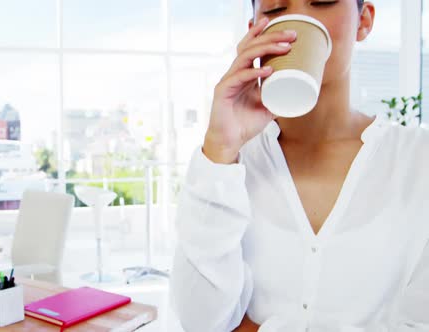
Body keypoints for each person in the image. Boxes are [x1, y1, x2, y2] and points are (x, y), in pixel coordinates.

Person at [170, 0, 429, 331]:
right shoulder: (228, 164)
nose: (297, 22)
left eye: (322, 1)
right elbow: (201, 321)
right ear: (254, 31)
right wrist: (220, 149)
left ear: (363, 21)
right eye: (276, 10)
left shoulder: (419, 161)